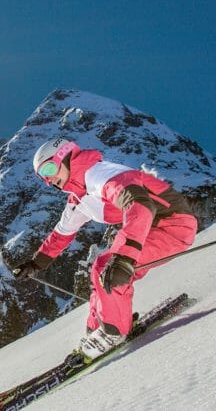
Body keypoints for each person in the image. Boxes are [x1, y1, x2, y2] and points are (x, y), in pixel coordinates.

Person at [13, 137, 197, 360]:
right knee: (99, 268)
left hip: (173, 224)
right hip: (149, 228)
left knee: (108, 270)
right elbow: (61, 234)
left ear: (65, 156)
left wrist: (124, 258)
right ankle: (97, 330)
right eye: (43, 177)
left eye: (50, 168)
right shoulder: (78, 197)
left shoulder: (100, 175)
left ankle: (113, 332)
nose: (50, 180)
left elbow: (139, 205)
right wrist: (35, 263)